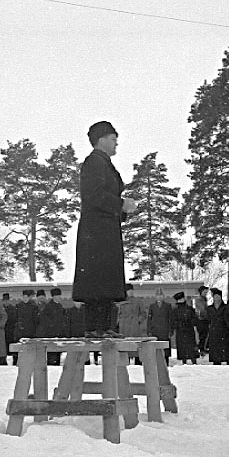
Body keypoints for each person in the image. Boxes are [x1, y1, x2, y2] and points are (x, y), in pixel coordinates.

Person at [72, 121, 136, 338]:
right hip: (96, 232)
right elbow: (94, 195)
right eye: (112, 138)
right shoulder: (94, 162)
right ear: (100, 140)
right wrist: (121, 204)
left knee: (105, 278)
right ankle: (94, 327)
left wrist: (121, 208)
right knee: (97, 279)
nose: (116, 142)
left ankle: (105, 327)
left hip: (105, 229)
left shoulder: (103, 163)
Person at [37, 288, 66, 365]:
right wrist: (52, 326)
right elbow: (44, 320)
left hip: (59, 333)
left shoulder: (60, 306)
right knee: (52, 355)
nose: (59, 297)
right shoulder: (48, 307)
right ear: (53, 297)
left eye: (59, 295)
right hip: (51, 334)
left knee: (57, 354)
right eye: (57, 296)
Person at [206, 288, 229, 365]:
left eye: (218, 297)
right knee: (216, 354)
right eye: (215, 297)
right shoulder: (209, 308)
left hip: (225, 332)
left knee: (227, 352)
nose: (217, 298)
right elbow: (207, 319)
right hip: (214, 332)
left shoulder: (226, 307)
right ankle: (216, 362)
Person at [171, 291, 199, 365]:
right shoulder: (175, 310)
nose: (181, 300)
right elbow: (173, 321)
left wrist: (190, 322)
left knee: (191, 347)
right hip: (180, 331)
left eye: (182, 298)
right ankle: (184, 361)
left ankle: (194, 361)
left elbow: (194, 319)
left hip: (189, 330)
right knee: (182, 348)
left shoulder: (189, 309)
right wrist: (179, 324)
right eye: (179, 299)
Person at [13, 290, 39, 365]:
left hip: (30, 330)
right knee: (19, 348)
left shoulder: (34, 306)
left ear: (29, 297)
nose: (25, 298)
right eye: (23, 297)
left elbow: (36, 320)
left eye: (26, 297)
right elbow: (15, 318)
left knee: (30, 349)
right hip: (20, 331)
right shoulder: (18, 306)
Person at [146, 289, 173, 365]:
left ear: (163, 296)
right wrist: (149, 330)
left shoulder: (168, 306)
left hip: (165, 329)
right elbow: (149, 319)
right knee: (156, 348)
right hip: (155, 330)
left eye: (161, 295)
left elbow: (170, 319)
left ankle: (166, 363)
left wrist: (170, 331)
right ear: (155, 296)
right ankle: (157, 363)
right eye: (158, 295)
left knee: (165, 348)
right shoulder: (152, 306)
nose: (159, 297)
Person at [195, 286, 210, 355]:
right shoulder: (199, 299)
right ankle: (201, 349)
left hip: (204, 319)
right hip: (201, 320)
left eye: (206, 292)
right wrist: (208, 314)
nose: (205, 293)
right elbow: (202, 309)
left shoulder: (204, 299)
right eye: (204, 292)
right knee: (203, 335)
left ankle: (203, 348)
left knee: (205, 334)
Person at [2, 293, 17, 364]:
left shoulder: (13, 309)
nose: (6, 302)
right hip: (3, 332)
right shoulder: (0, 309)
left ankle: (15, 362)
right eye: (5, 300)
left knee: (13, 349)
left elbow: (15, 319)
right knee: (3, 350)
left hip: (11, 332)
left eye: (7, 300)